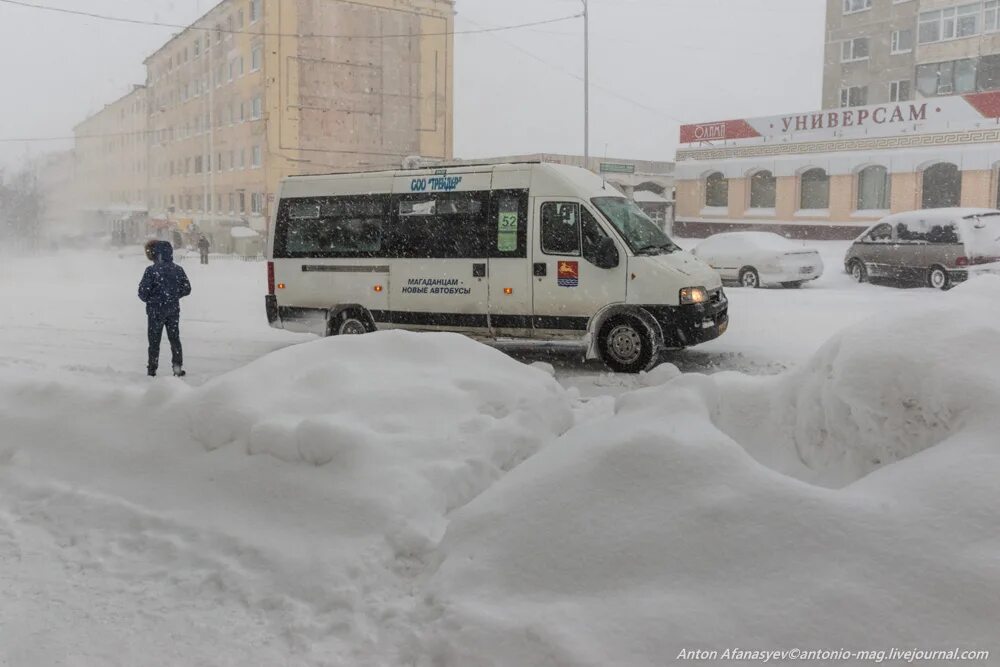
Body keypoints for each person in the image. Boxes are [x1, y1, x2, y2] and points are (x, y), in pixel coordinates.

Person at [138, 240, 192, 377]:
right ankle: (177, 368)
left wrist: (153, 299)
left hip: (155, 311)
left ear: (156, 254)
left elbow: (142, 293)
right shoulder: (178, 270)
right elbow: (187, 288)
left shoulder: (151, 271)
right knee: (174, 339)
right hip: (173, 309)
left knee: (154, 341)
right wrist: (173, 296)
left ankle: (152, 369)